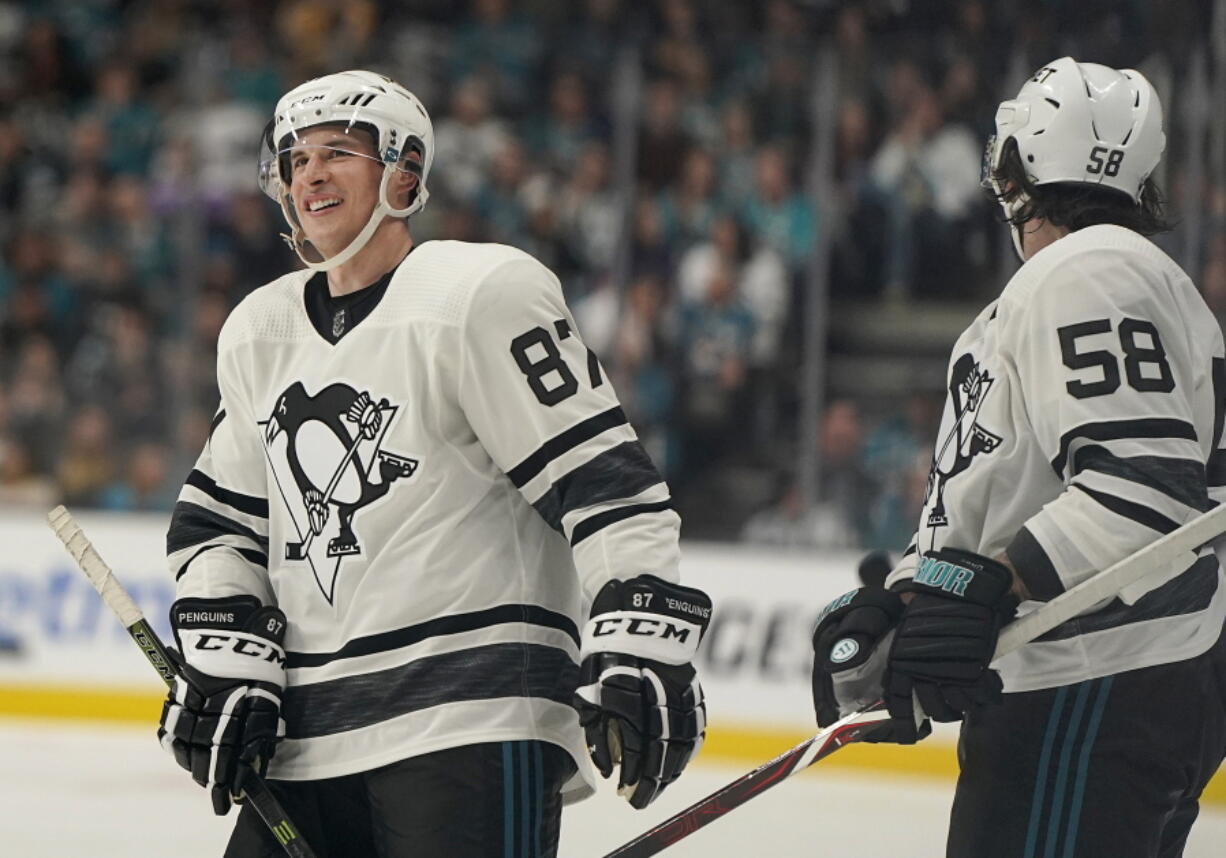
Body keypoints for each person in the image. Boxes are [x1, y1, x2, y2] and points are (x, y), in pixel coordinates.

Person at [155, 70, 712, 858]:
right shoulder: (260, 328)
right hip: (304, 743)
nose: (309, 173)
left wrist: (643, 637)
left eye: (338, 151)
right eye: (294, 157)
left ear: (404, 174)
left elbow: (605, 485)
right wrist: (228, 647)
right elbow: (218, 526)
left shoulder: (482, 292)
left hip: (467, 727)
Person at [811, 57, 1226, 858]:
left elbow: (1141, 495)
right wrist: (910, 595)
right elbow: (1006, 491)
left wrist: (991, 587)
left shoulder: (1088, 270)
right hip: (1099, 682)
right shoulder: (1093, 283)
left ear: (1022, 167)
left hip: (1090, 679)